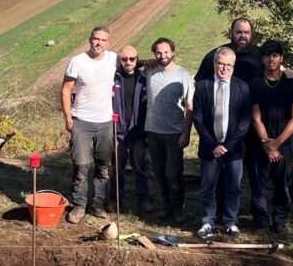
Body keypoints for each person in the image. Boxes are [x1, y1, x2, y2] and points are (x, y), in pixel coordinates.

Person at [193, 48, 252, 238]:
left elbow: (245, 120)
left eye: (229, 65)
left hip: (233, 149)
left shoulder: (242, 87)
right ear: (215, 64)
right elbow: (198, 117)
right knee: (207, 186)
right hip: (210, 147)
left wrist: (229, 145)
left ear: (233, 66)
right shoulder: (202, 86)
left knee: (233, 186)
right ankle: (207, 221)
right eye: (221, 63)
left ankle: (230, 221)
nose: (224, 68)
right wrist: (212, 144)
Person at [60, 26, 117, 224]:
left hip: (106, 122)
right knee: (81, 166)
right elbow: (66, 90)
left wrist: (151, 62)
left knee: (103, 166)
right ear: (90, 39)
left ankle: (98, 203)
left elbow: (132, 64)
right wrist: (68, 117)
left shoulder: (113, 59)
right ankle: (79, 205)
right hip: (82, 122)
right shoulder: (77, 62)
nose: (99, 43)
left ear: (108, 43)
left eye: (103, 40)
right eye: (95, 39)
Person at [249, 40, 293, 233]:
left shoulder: (292, 83)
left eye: (275, 55)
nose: (271, 59)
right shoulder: (255, 83)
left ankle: (279, 219)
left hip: (285, 143)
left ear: (281, 58)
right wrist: (266, 144)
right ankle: (260, 219)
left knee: (282, 183)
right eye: (267, 56)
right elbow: (256, 118)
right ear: (262, 59)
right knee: (259, 183)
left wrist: (277, 143)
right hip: (259, 141)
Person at [143, 37, 194, 225]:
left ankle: (178, 208)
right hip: (153, 131)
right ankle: (166, 206)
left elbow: (190, 105)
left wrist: (186, 133)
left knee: (173, 174)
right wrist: (143, 62)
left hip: (174, 134)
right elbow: (128, 62)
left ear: (173, 52)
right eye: (158, 52)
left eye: (166, 52)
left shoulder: (183, 75)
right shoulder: (150, 71)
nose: (162, 56)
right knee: (159, 173)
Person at [111, 45, 149, 214]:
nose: (128, 62)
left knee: (140, 167)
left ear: (137, 59)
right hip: (117, 130)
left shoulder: (144, 79)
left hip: (137, 130)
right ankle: (115, 200)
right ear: (120, 60)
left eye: (132, 59)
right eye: (124, 59)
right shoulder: (113, 78)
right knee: (117, 167)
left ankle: (144, 199)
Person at [195, 17, 263, 83]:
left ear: (251, 34)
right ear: (231, 33)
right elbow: (199, 84)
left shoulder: (261, 55)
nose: (242, 36)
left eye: (246, 32)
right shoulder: (217, 55)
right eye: (238, 32)